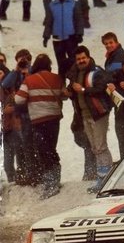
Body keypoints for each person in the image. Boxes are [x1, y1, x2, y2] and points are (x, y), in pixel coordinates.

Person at [15, 54, 64, 199]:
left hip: (38, 120)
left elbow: (19, 99)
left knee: (43, 150)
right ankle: (56, 178)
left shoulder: (29, 80)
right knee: (51, 147)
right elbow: (64, 95)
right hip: (54, 119)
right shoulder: (57, 78)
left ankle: (51, 183)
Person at [66, 45, 114, 193]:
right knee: (94, 147)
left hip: (98, 113)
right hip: (84, 115)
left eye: (83, 58)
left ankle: (106, 177)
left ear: (88, 57)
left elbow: (101, 88)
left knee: (100, 146)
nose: (81, 61)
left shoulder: (96, 71)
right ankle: (103, 176)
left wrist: (82, 90)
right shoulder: (74, 73)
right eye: (79, 59)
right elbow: (73, 90)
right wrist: (70, 92)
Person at [1, 49, 36, 185]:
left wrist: (28, 68)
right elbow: (5, 84)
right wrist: (16, 70)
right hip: (19, 115)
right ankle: (22, 175)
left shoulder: (33, 71)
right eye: (20, 59)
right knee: (20, 147)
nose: (23, 62)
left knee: (31, 146)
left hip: (32, 113)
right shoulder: (15, 74)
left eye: (25, 59)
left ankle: (32, 174)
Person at [43, 0, 84, 79]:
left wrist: (79, 33)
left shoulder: (74, 3)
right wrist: (46, 36)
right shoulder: (52, 5)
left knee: (73, 61)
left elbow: (79, 19)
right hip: (57, 39)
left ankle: (75, 81)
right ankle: (61, 84)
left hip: (71, 37)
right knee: (61, 63)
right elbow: (49, 21)